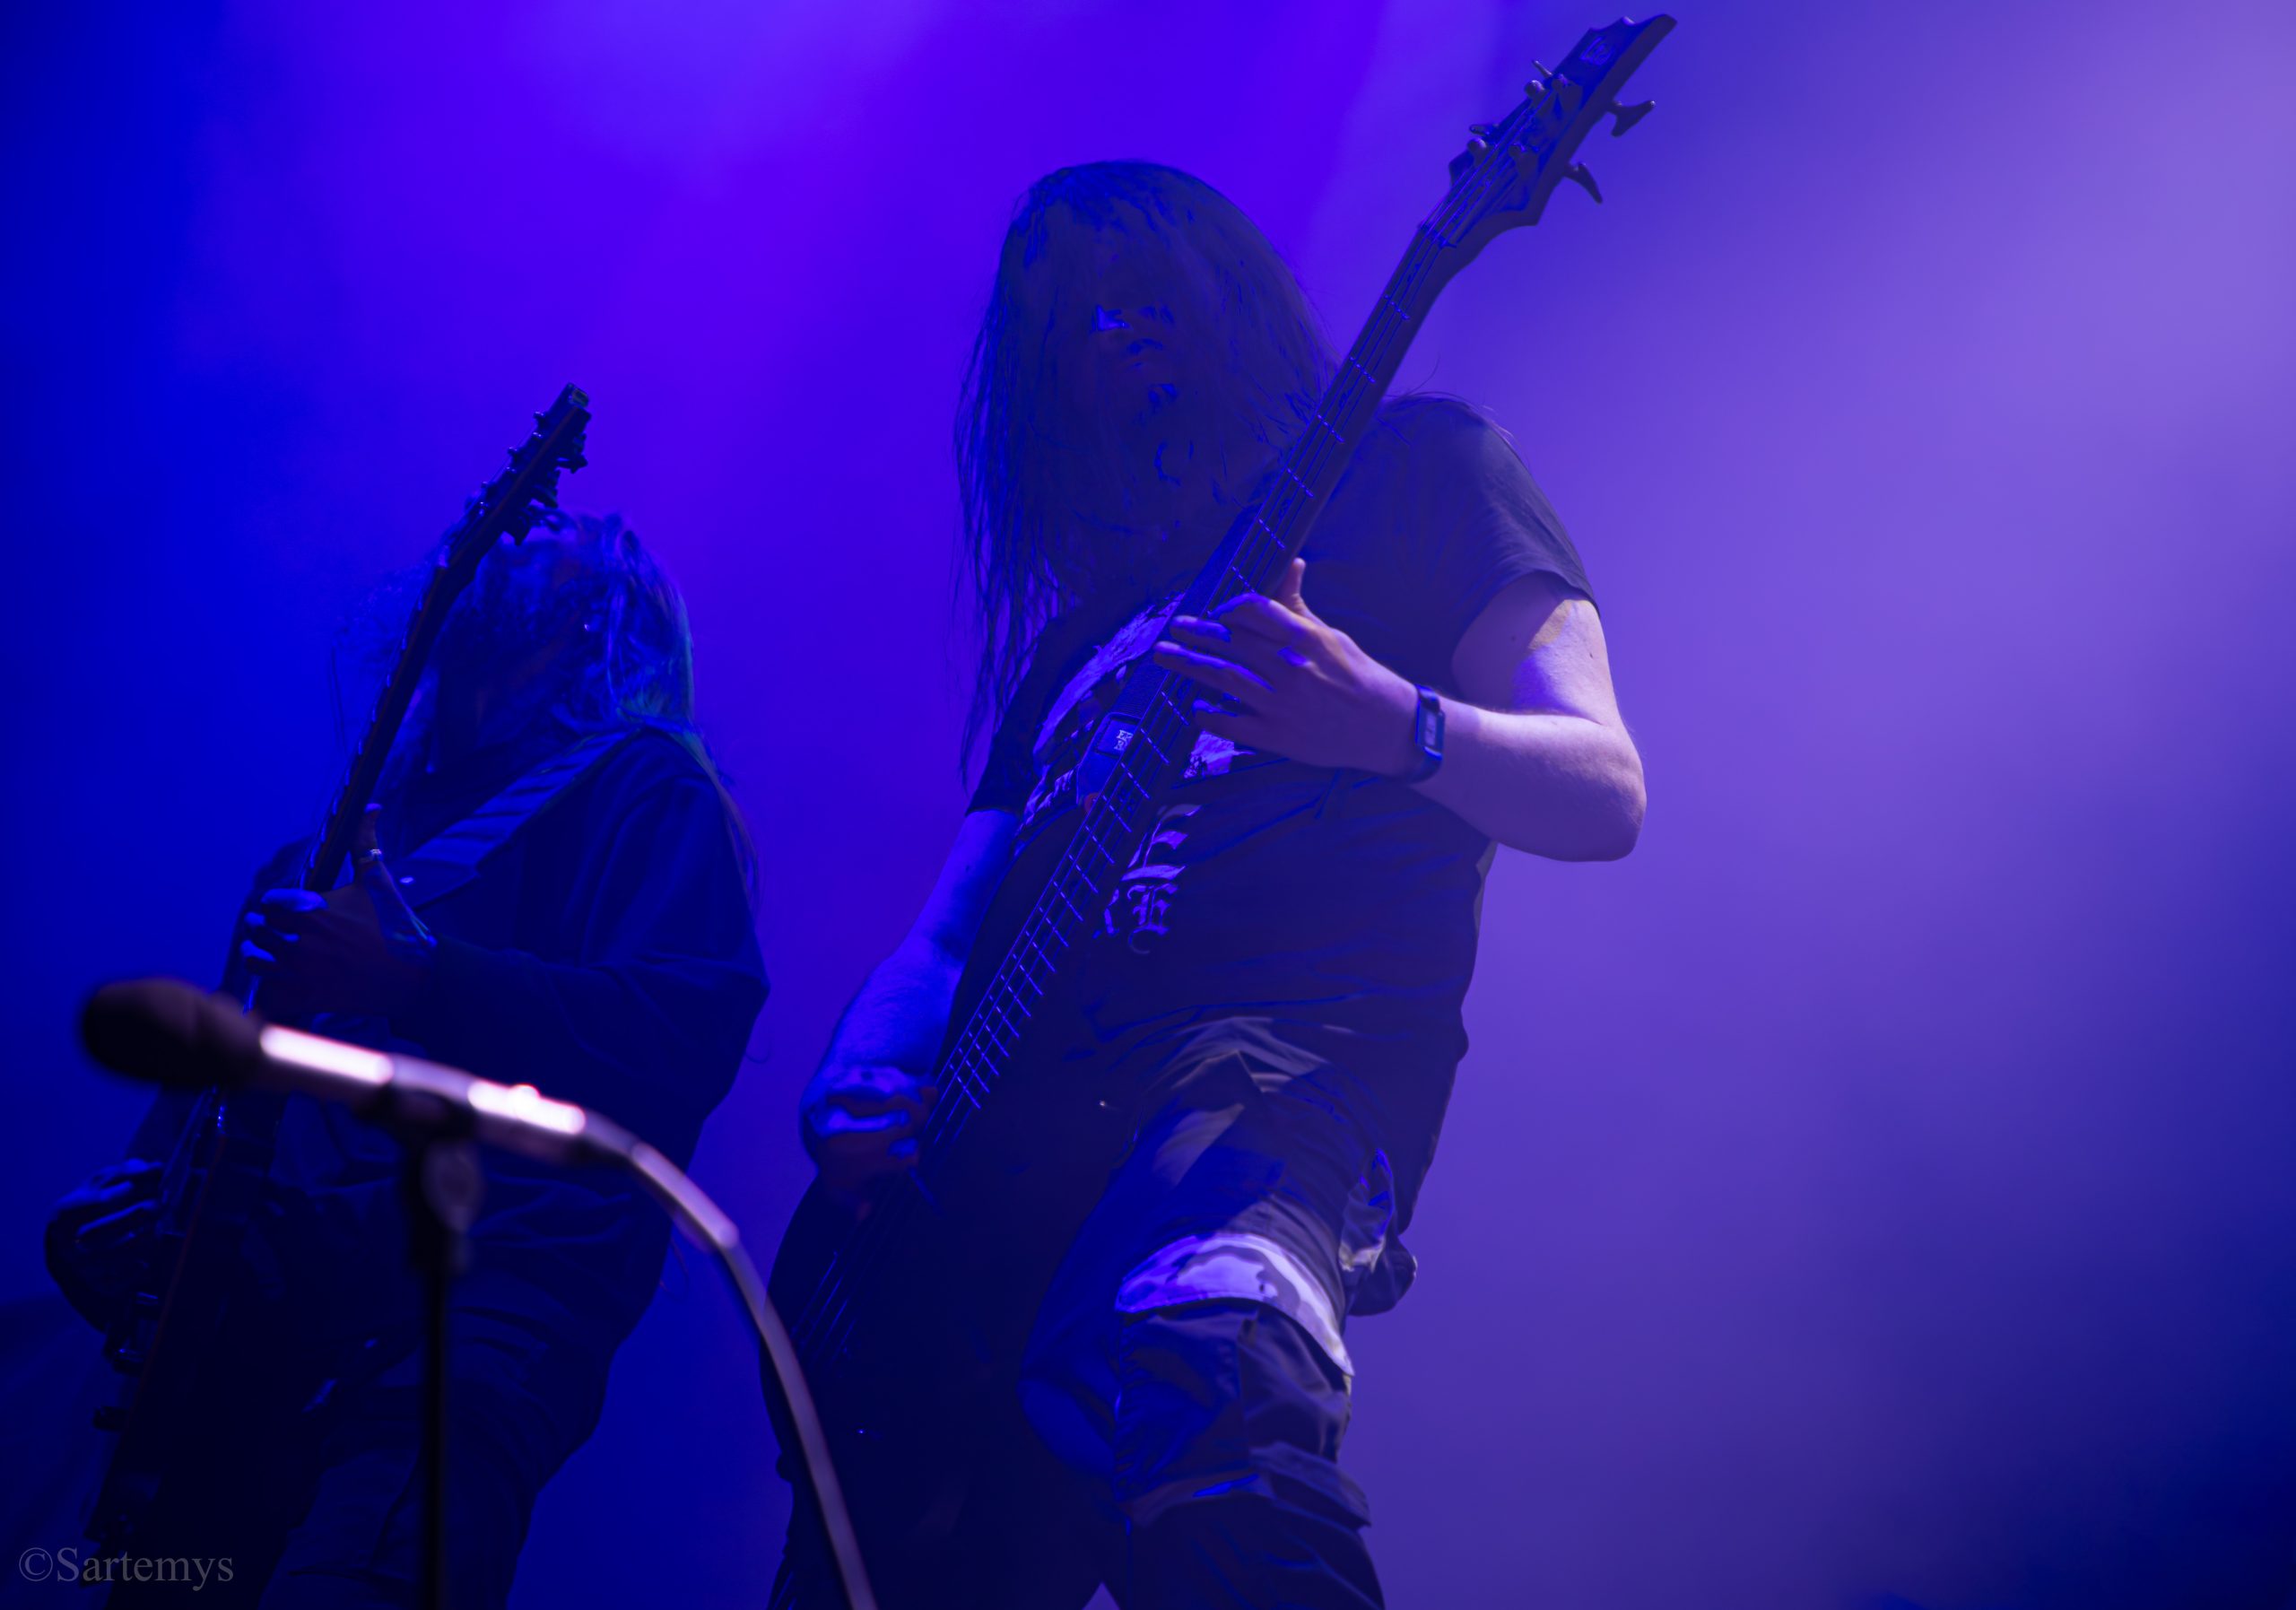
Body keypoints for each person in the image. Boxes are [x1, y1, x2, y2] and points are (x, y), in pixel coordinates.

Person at [791, 161, 1646, 1607]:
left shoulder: (1423, 466)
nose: (1112, 333)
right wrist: (858, 1072)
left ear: (1227, 292)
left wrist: (1390, 721)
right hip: (994, 1185)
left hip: (1267, 1080)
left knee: (1199, 1367)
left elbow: (1604, 788)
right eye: (1075, 321)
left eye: (1142, 293)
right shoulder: (1077, 642)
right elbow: (942, 942)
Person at [44, 510, 767, 1608]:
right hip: (250, 1338)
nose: (502, 538)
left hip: (462, 1320)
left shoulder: (643, 788)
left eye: (549, 536)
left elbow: (679, 1030)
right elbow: (208, 1094)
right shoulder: (322, 851)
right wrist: (125, 1215)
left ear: (595, 616)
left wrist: (422, 980)